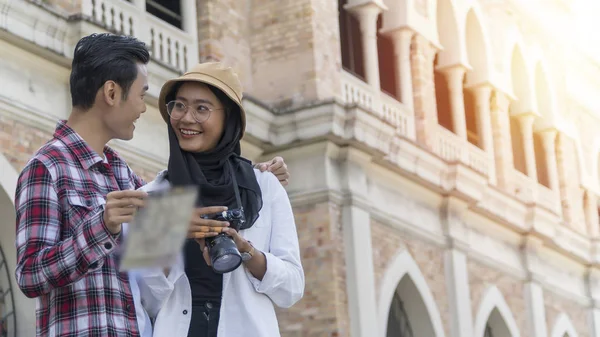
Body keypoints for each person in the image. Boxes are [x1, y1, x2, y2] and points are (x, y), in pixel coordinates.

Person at [13, 33, 290, 337]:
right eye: (141, 94)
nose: (144, 108)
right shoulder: (46, 167)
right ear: (111, 92)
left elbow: (149, 288)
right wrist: (102, 227)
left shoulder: (125, 176)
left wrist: (256, 176)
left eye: (202, 108)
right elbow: (30, 276)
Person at [133, 62, 304, 337]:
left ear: (229, 119)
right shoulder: (153, 196)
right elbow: (144, 300)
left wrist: (247, 251)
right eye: (179, 105)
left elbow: (292, 288)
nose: (186, 118)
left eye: (202, 108)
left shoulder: (264, 186)